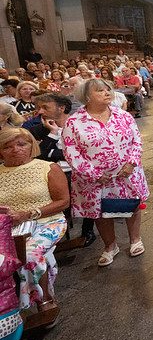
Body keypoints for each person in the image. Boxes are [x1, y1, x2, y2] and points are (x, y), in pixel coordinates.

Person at [62, 78, 149, 267]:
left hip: (126, 173)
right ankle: (110, 246)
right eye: (100, 91)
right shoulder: (75, 122)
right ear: (86, 97)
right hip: (94, 178)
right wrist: (93, 173)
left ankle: (135, 239)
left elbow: (137, 141)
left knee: (132, 205)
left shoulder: (123, 116)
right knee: (101, 212)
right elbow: (71, 151)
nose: (107, 93)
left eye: (108, 89)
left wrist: (132, 163)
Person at [0, 128, 69, 324]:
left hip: (47, 222)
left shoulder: (48, 168)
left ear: (32, 145)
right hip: (8, 226)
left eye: (22, 144)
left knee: (28, 253)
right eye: (7, 146)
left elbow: (63, 202)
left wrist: (29, 214)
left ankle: (44, 299)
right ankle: (7, 305)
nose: (15, 149)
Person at [30, 93, 97, 246]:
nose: (40, 111)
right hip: (52, 174)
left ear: (61, 108)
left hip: (78, 171)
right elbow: (39, 156)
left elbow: (88, 153)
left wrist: (53, 152)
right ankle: (54, 229)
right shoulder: (38, 130)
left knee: (88, 188)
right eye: (38, 108)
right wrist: (53, 134)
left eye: (45, 107)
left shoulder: (81, 126)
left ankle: (87, 230)